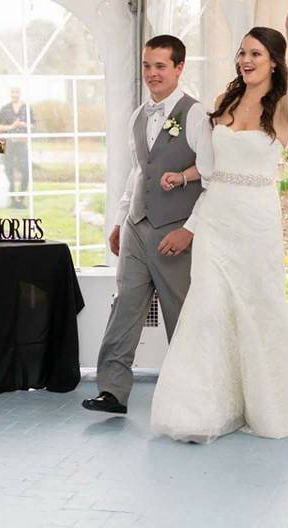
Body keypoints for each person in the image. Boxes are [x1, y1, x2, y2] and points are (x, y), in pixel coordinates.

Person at [150, 0, 288, 443]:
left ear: (273, 62)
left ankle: (269, 401)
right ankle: (201, 411)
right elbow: (212, 169)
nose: (246, 61)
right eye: (242, 53)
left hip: (256, 221)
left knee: (259, 307)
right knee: (207, 311)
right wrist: (185, 178)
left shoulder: (283, 109)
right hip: (217, 218)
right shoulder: (224, 102)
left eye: (256, 54)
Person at [82, 35, 211, 415]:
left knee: (180, 312)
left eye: (161, 66)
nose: (152, 74)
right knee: (125, 306)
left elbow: (212, 177)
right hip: (137, 227)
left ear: (179, 68)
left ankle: (191, 396)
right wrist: (122, 220)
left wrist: (191, 229)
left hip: (175, 229)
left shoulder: (196, 114)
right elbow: (139, 171)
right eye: (147, 65)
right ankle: (112, 390)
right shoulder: (138, 116)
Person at [0, 87, 32, 208]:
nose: (14, 94)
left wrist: (23, 124)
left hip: (22, 144)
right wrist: (11, 127)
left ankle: (21, 199)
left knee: (25, 171)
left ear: (20, 93)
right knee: (8, 171)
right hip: (8, 144)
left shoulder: (27, 108)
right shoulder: (5, 109)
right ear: (10, 94)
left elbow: (34, 125)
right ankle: (13, 200)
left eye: (17, 92)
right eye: (12, 92)